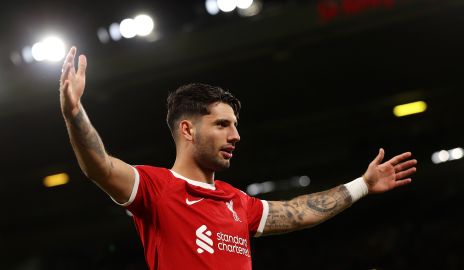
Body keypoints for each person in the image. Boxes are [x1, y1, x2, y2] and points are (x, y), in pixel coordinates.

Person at [59, 47, 417, 270]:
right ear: (187, 130)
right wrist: (75, 113)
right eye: (222, 125)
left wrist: (363, 185)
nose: (235, 136)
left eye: (235, 125)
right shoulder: (156, 189)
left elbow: (297, 213)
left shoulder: (238, 203)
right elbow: (99, 165)